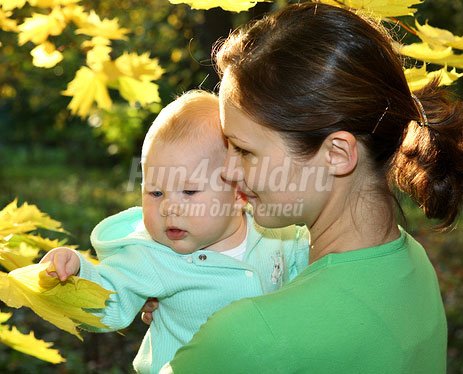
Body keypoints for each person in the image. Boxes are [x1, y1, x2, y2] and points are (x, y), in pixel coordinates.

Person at [150, 3, 463, 373]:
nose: (228, 171)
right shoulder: (412, 264)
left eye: (244, 150)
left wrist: (177, 332)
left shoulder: (247, 337)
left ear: (337, 153)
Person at [40, 90, 309, 374]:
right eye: (155, 192)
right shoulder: (152, 255)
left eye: (189, 191)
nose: (169, 207)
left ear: (239, 191)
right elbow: (109, 300)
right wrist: (76, 276)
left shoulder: (276, 234)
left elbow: (317, 263)